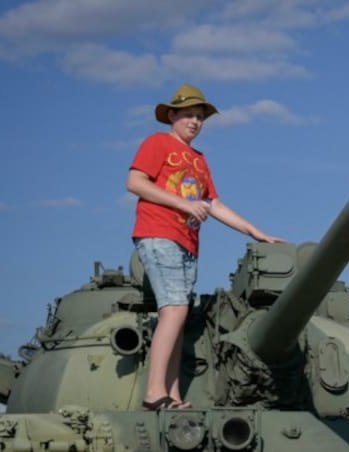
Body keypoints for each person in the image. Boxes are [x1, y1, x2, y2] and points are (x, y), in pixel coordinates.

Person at [127, 83, 283, 410]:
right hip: (160, 233)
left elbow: (213, 203)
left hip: (186, 242)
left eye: (200, 117)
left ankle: (171, 395)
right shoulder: (159, 143)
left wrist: (256, 232)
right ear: (172, 115)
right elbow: (136, 182)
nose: (195, 122)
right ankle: (154, 392)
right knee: (174, 310)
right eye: (188, 115)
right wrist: (183, 205)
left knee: (179, 317)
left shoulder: (198, 159)